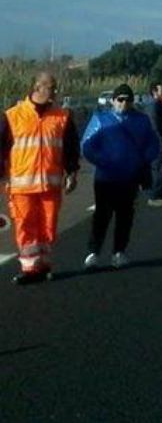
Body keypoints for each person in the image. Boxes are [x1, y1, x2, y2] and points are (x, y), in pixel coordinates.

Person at [0, 72, 80, 284]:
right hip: (21, 186)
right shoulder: (12, 116)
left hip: (50, 185)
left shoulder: (63, 117)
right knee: (26, 227)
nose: (54, 92)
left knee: (47, 227)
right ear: (37, 87)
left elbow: (71, 149)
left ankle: (44, 265)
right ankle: (29, 268)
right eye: (51, 88)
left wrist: (72, 172)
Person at [81, 83, 161, 269]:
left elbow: (153, 144)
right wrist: (105, 161)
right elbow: (87, 146)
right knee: (102, 215)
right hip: (105, 177)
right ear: (113, 101)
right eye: (120, 99)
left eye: (128, 99)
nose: (124, 103)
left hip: (129, 177)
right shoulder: (101, 119)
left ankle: (119, 252)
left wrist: (141, 160)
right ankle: (93, 252)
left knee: (125, 216)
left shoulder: (141, 120)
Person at [146, 82, 162, 207]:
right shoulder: (153, 106)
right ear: (155, 92)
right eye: (161, 90)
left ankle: (159, 194)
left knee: (161, 170)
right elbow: (156, 128)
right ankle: (154, 196)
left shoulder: (156, 105)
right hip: (156, 144)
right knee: (159, 171)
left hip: (155, 143)